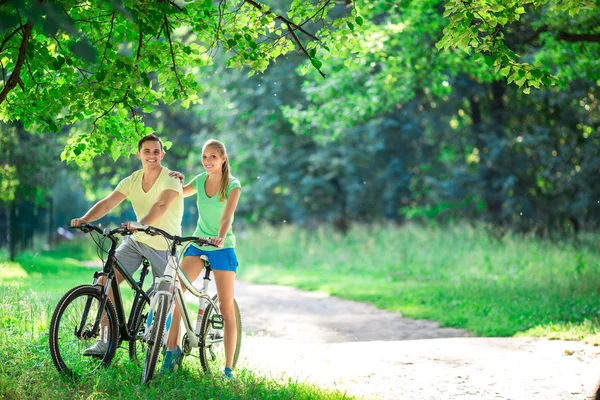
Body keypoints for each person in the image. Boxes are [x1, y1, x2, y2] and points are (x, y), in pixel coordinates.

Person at [70, 134, 183, 356]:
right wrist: (85, 219)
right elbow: (108, 202)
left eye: (156, 151)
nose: (152, 155)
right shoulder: (132, 179)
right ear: (138, 154)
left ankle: (172, 346)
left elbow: (161, 205)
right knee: (105, 281)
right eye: (147, 151)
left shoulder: (171, 178)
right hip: (137, 241)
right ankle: (105, 340)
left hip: (164, 244)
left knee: (169, 294)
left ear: (162, 154)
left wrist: (140, 224)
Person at [162, 139, 241, 378]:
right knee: (177, 291)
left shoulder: (233, 185)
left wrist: (219, 236)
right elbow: (177, 195)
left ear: (223, 159)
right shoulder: (199, 180)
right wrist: (174, 181)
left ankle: (228, 369)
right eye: (205, 157)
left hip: (221, 247)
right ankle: (171, 351)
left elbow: (227, 218)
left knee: (226, 308)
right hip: (198, 244)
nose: (208, 161)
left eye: (213, 157)